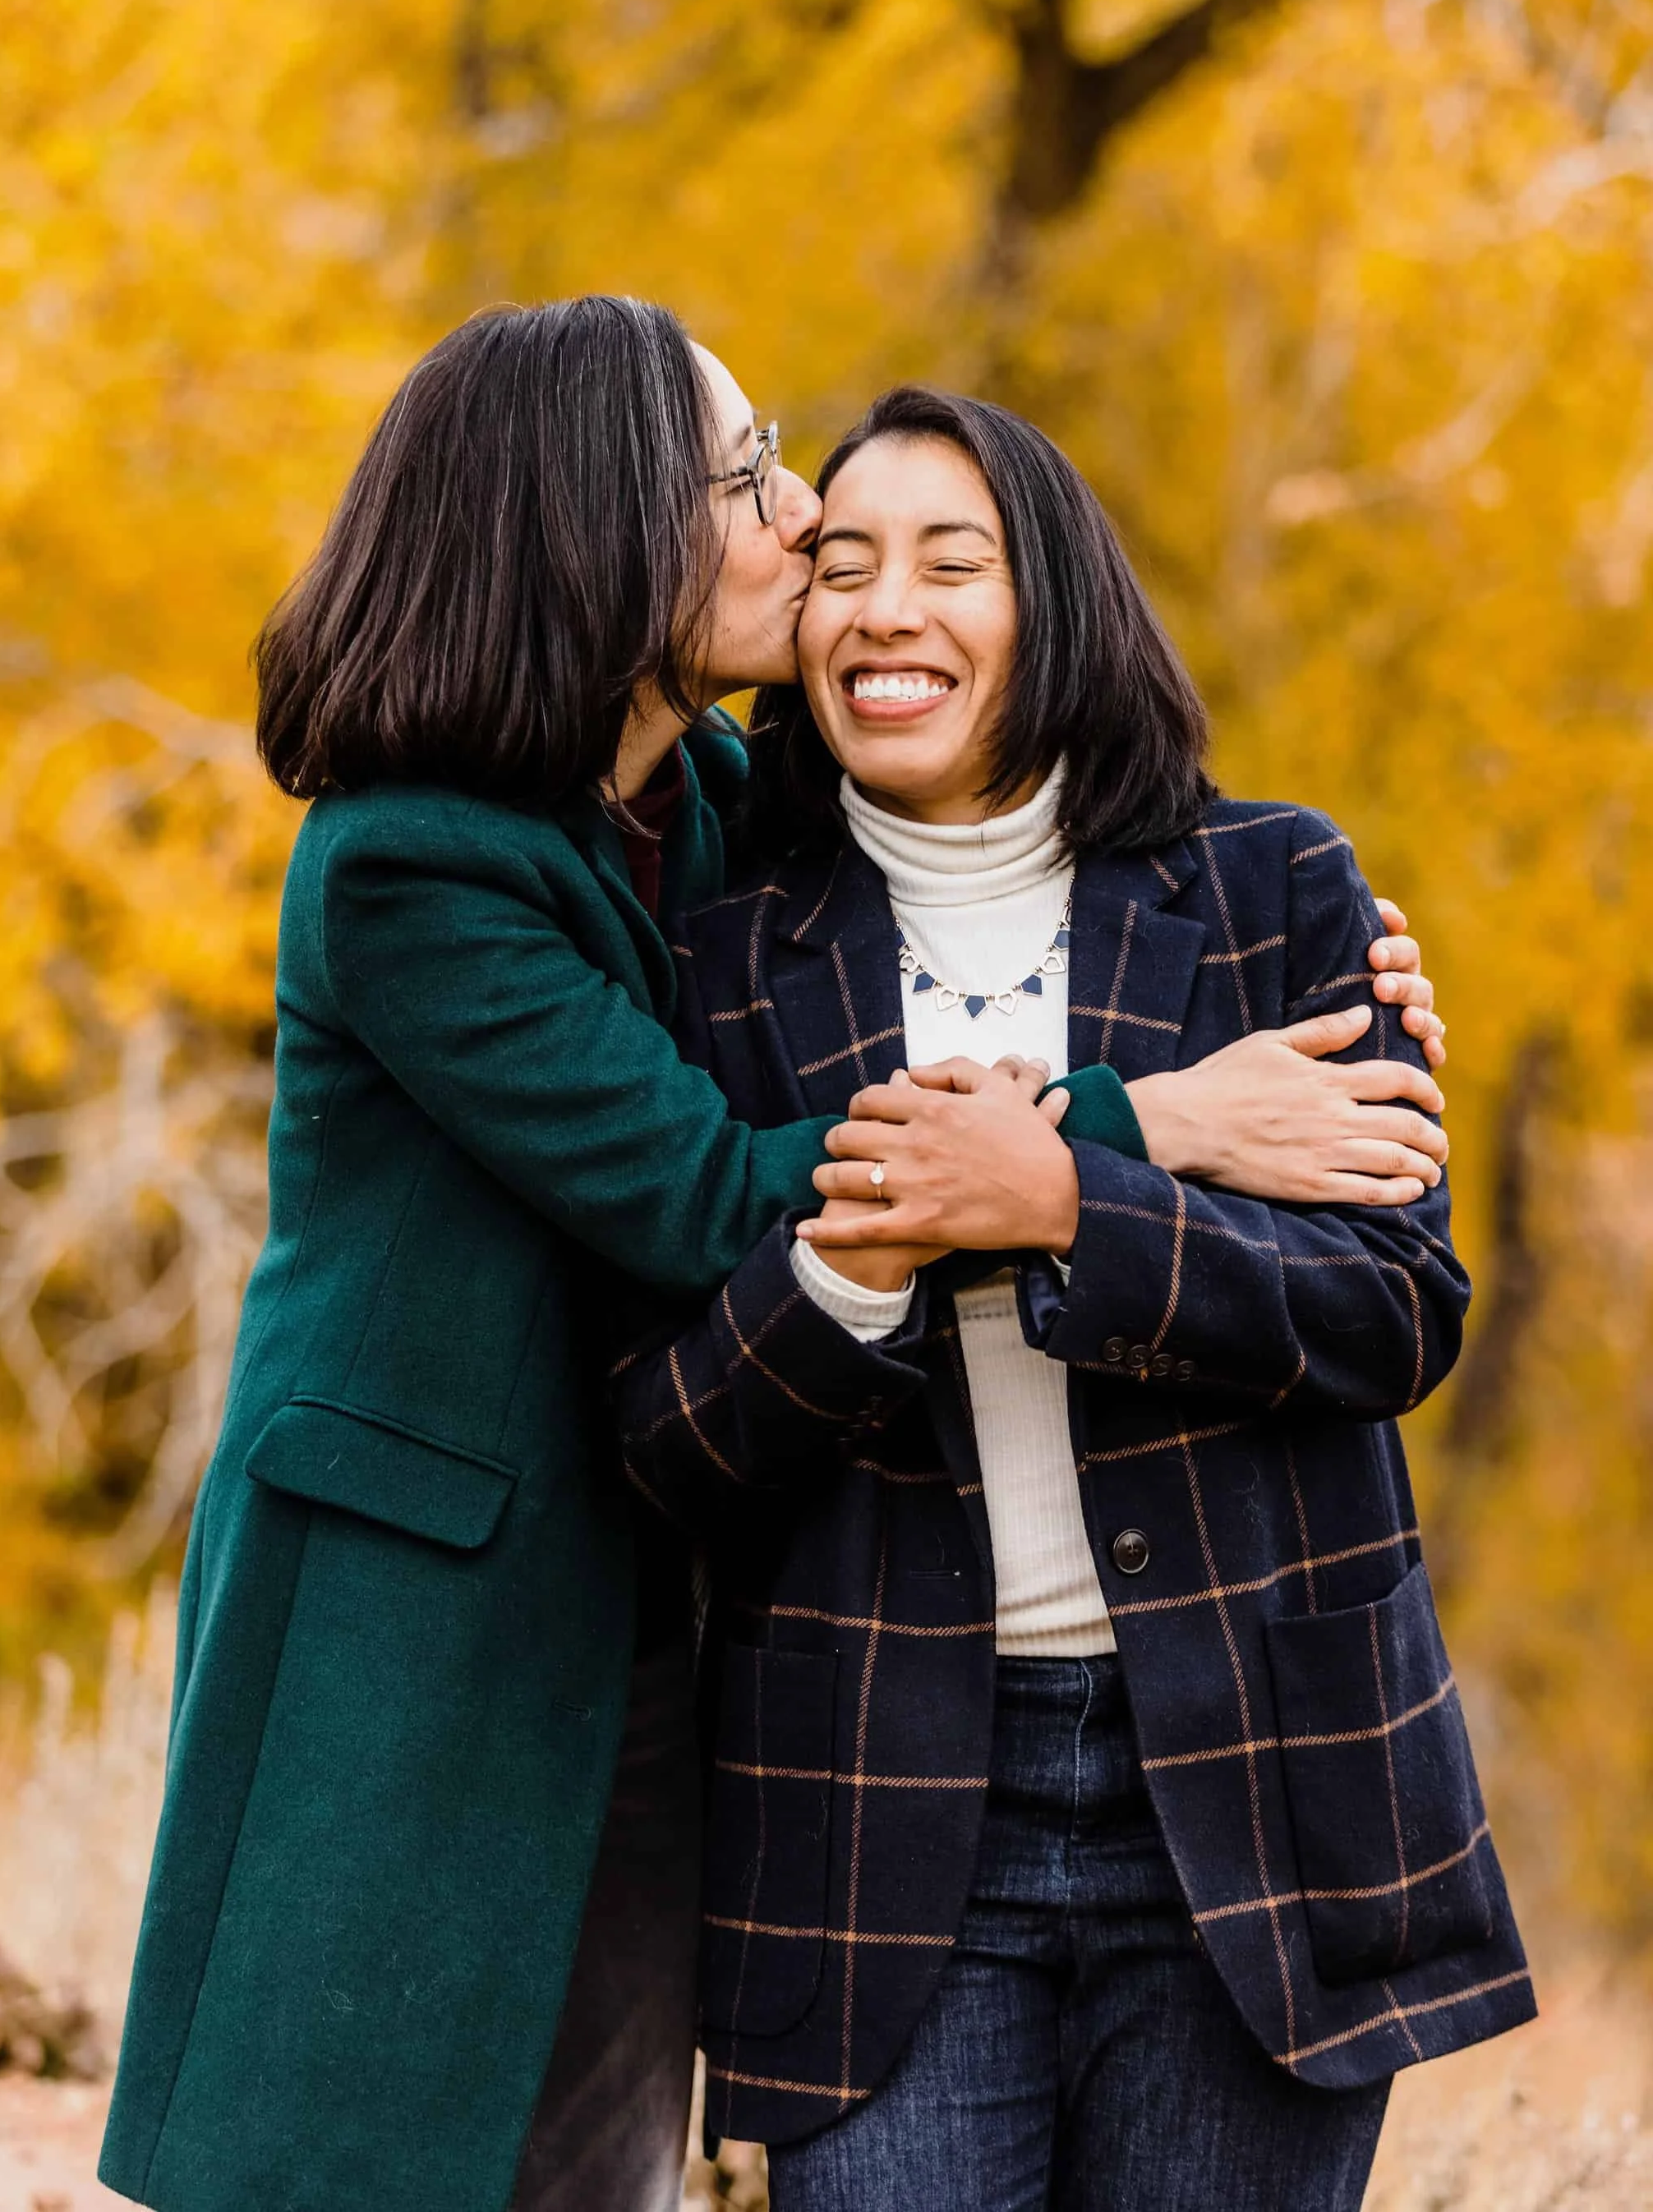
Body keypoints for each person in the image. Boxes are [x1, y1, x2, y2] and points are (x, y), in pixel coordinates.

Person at [99, 301, 1450, 2212]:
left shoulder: (716, 801)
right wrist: (1151, 1121)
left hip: (666, 1570)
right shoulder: (411, 865)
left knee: (588, 2159)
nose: (797, 515)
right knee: (359, 2153)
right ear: (594, 527)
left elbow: (1011, 866)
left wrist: (1339, 964)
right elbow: (705, 1188)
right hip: (424, 1606)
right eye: (743, 477)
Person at [611, 384, 1532, 2212]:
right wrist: (867, 1255)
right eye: (844, 564)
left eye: (955, 562)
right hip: (871, 1814)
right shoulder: (719, 957)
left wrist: (1065, 1208)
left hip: (1253, 1787)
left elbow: (1394, 1311)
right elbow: (668, 1438)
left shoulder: (1272, 889)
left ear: (1057, 606)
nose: (888, 609)